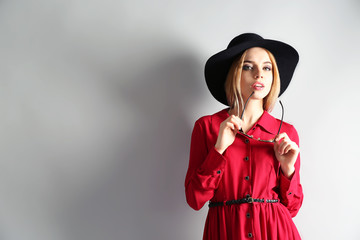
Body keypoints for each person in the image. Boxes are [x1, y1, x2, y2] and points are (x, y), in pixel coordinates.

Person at [184, 33, 303, 239]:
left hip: (275, 232)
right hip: (226, 232)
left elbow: (292, 209)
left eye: (267, 67)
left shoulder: (286, 133)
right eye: (248, 67)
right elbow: (195, 200)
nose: (259, 74)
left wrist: (288, 168)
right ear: (233, 74)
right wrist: (219, 150)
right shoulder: (207, 127)